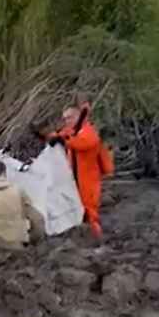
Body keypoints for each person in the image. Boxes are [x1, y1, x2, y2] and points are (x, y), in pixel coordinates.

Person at [43, 99, 112, 238]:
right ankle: (82, 237)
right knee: (75, 208)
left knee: (89, 212)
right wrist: (49, 136)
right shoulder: (72, 131)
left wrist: (63, 141)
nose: (67, 120)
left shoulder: (88, 132)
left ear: (77, 116)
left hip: (87, 180)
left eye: (69, 117)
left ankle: (96, 238)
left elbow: (85, 143)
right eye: (65, 118)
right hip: (75, 179)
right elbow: (61, 135)